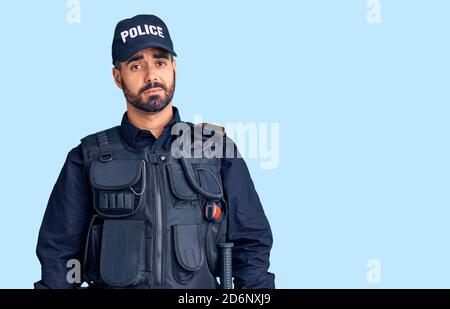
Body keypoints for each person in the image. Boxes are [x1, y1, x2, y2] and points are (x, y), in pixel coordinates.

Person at [34, 14, 275, 289]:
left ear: (174, 68)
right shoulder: (86, 158)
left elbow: (252, 248)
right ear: (117, 76)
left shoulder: (217, 150)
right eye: (136, 66)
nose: (151, 76)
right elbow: (58, 255)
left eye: (159, 62)